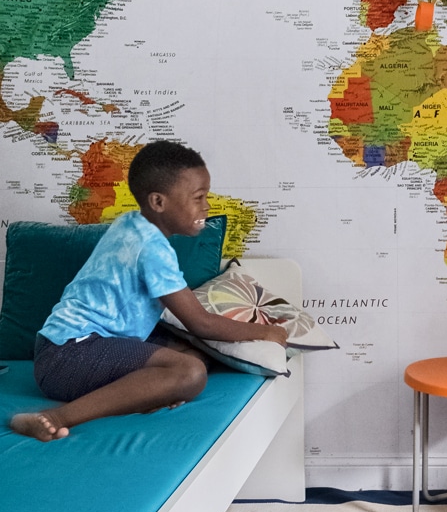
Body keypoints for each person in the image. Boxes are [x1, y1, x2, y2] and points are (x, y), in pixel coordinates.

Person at [10, 141, 287, 441]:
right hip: (68, 356)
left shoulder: (132, 223)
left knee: (190, 352)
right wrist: (267, 333)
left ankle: (148, 392)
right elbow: (200, 322)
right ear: (158, 202)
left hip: (70, 349)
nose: (206, 206)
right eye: (198, 197)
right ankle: (53, 417)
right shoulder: (151, 248)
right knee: (190, 372)